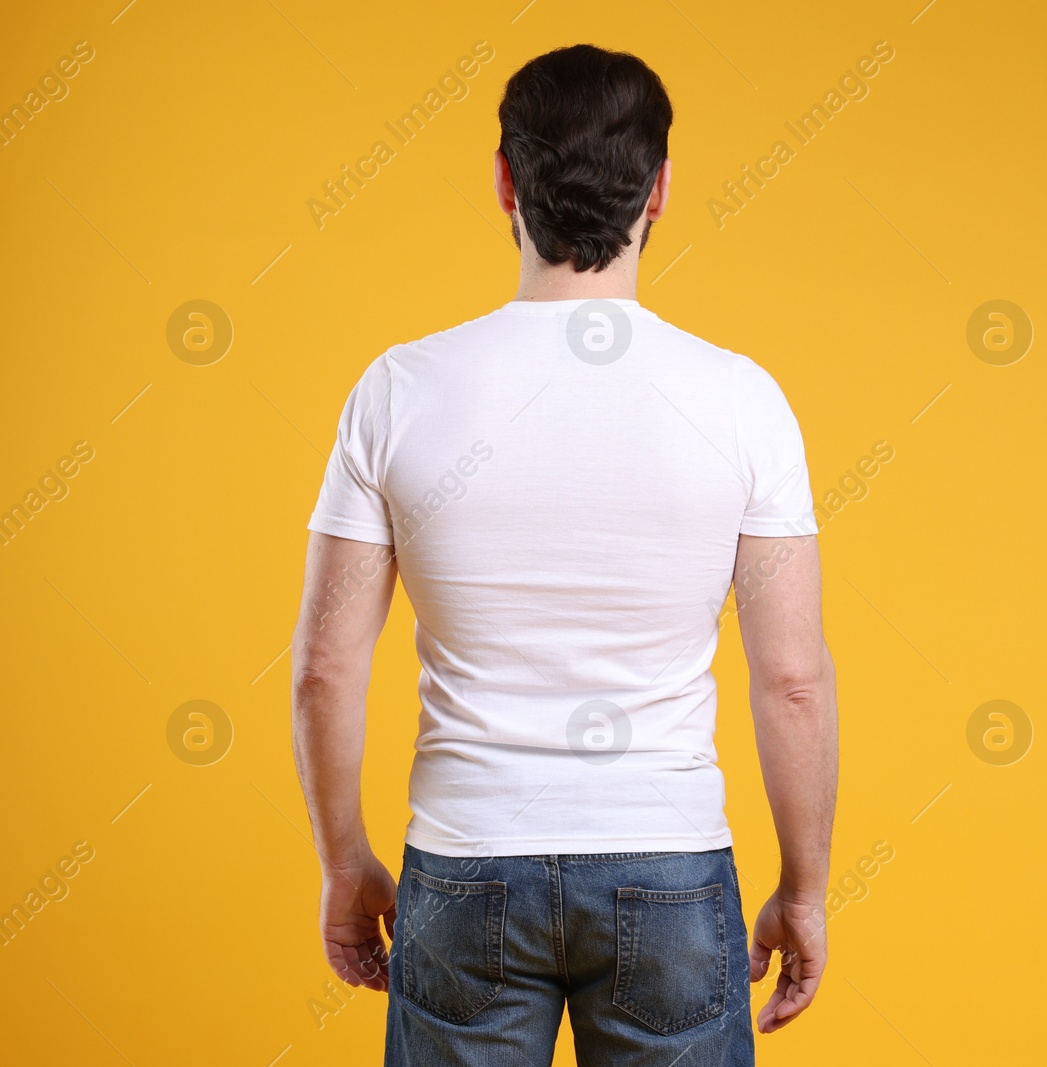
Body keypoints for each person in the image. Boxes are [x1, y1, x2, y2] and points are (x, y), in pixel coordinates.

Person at [288, 43, 838, 1066]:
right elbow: (792, 679)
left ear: (504, 180)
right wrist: (802, 890)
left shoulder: (399, 389)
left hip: (462, 868)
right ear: (660, 191)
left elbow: (326, 666)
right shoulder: (741, 399)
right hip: (667, 861)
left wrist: (341, 859)